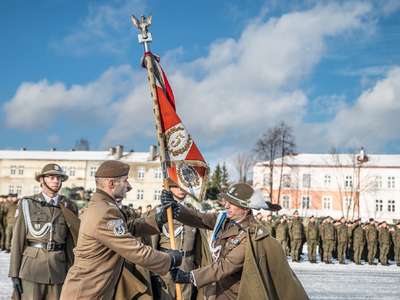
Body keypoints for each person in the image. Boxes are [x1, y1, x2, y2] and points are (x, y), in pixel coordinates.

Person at [163, 183, 309, 300]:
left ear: (245, 208)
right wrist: (176, 209)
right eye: (227, 201)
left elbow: (225, 266)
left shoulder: (251, 235)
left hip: (234, 293)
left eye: (232, 203)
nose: (226, 206)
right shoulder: (224, 220)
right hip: (214, 288)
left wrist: (190, 276)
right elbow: (200, 218)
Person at [60, 160, 182, 299]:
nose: (129, 187)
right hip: (87, 293)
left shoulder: (102, 207)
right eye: (125, 181)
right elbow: (135, 250)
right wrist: (170, 260)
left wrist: (159, 218)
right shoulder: (104, 212)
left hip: (92, 291)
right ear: (111, 184)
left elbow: (127, 228)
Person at [8, 163, 79, 300]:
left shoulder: (69, 206)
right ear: (41, 180)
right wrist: (14, 273)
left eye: (59, 178)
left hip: (58, 269)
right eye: (51, 177)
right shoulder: (28, 204)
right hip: (32, 269)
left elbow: (71, 243)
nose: (56, 181)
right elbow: (17, 240)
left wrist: (73, 271)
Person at [151, 180, 200, 300]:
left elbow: (198, 242)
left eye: (184, 187)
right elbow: (152, 243)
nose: (181, 190)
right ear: (168, 188)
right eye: (176, 186)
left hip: (187, 264)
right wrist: (153, 272)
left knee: (186, 297)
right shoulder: (159, 211)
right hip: (166, 264)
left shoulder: (193, 211)